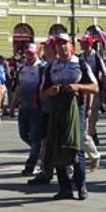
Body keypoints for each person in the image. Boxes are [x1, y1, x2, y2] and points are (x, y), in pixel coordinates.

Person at [40, 33, 98, 199]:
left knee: (76, 147)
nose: (62, 47)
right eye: (58, 44)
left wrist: (77, 87)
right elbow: (42, 94)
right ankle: (64, 187)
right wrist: (51, 92)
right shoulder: (50, 67)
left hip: (76, 109)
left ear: (71, 46)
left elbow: (95, 87)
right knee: (58, 146)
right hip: (56, 110)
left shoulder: (80, 63)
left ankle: (81, 186)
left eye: (65, 44)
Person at [14, 43, 44, 177]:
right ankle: (41, 150)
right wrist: (13, 104)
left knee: (36, 138)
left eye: (31, 53)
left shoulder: (42, 68)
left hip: (37, 108)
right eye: (27, 53)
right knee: (23, 134)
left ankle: (30, 165)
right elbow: (19, 88)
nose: (29, 56)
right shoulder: (22, 69)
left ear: (37, 53)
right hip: (24, 107)